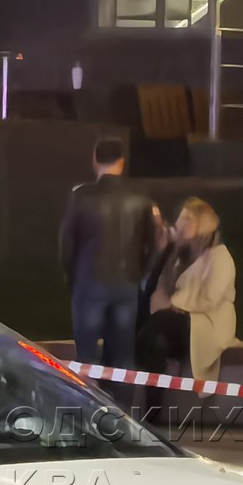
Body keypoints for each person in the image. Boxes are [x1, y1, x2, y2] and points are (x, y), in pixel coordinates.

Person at [59, 137, 161, 370]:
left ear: (95, 161)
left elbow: (67, 243)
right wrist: (139, 275)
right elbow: (152, 245)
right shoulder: (141, 197)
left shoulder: (81, 196)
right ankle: (120, 395)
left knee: (86, 359)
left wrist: (73, 278)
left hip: (89, 283)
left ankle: (87, 395)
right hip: (127, 284)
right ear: (122, 162)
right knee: (123, 359)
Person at [136, 197, 236, 383]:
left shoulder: (220, 257)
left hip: (207, 322)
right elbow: (154, 287)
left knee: (159, 323)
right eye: (181, 218)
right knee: (153, 336)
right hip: (177, 321)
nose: (180, 224)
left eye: (187, 219)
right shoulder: (181, 255)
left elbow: (210, 299)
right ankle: (152, 394)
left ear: (203, 225)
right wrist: (167, 249)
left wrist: (174, 304)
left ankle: (149, 388)